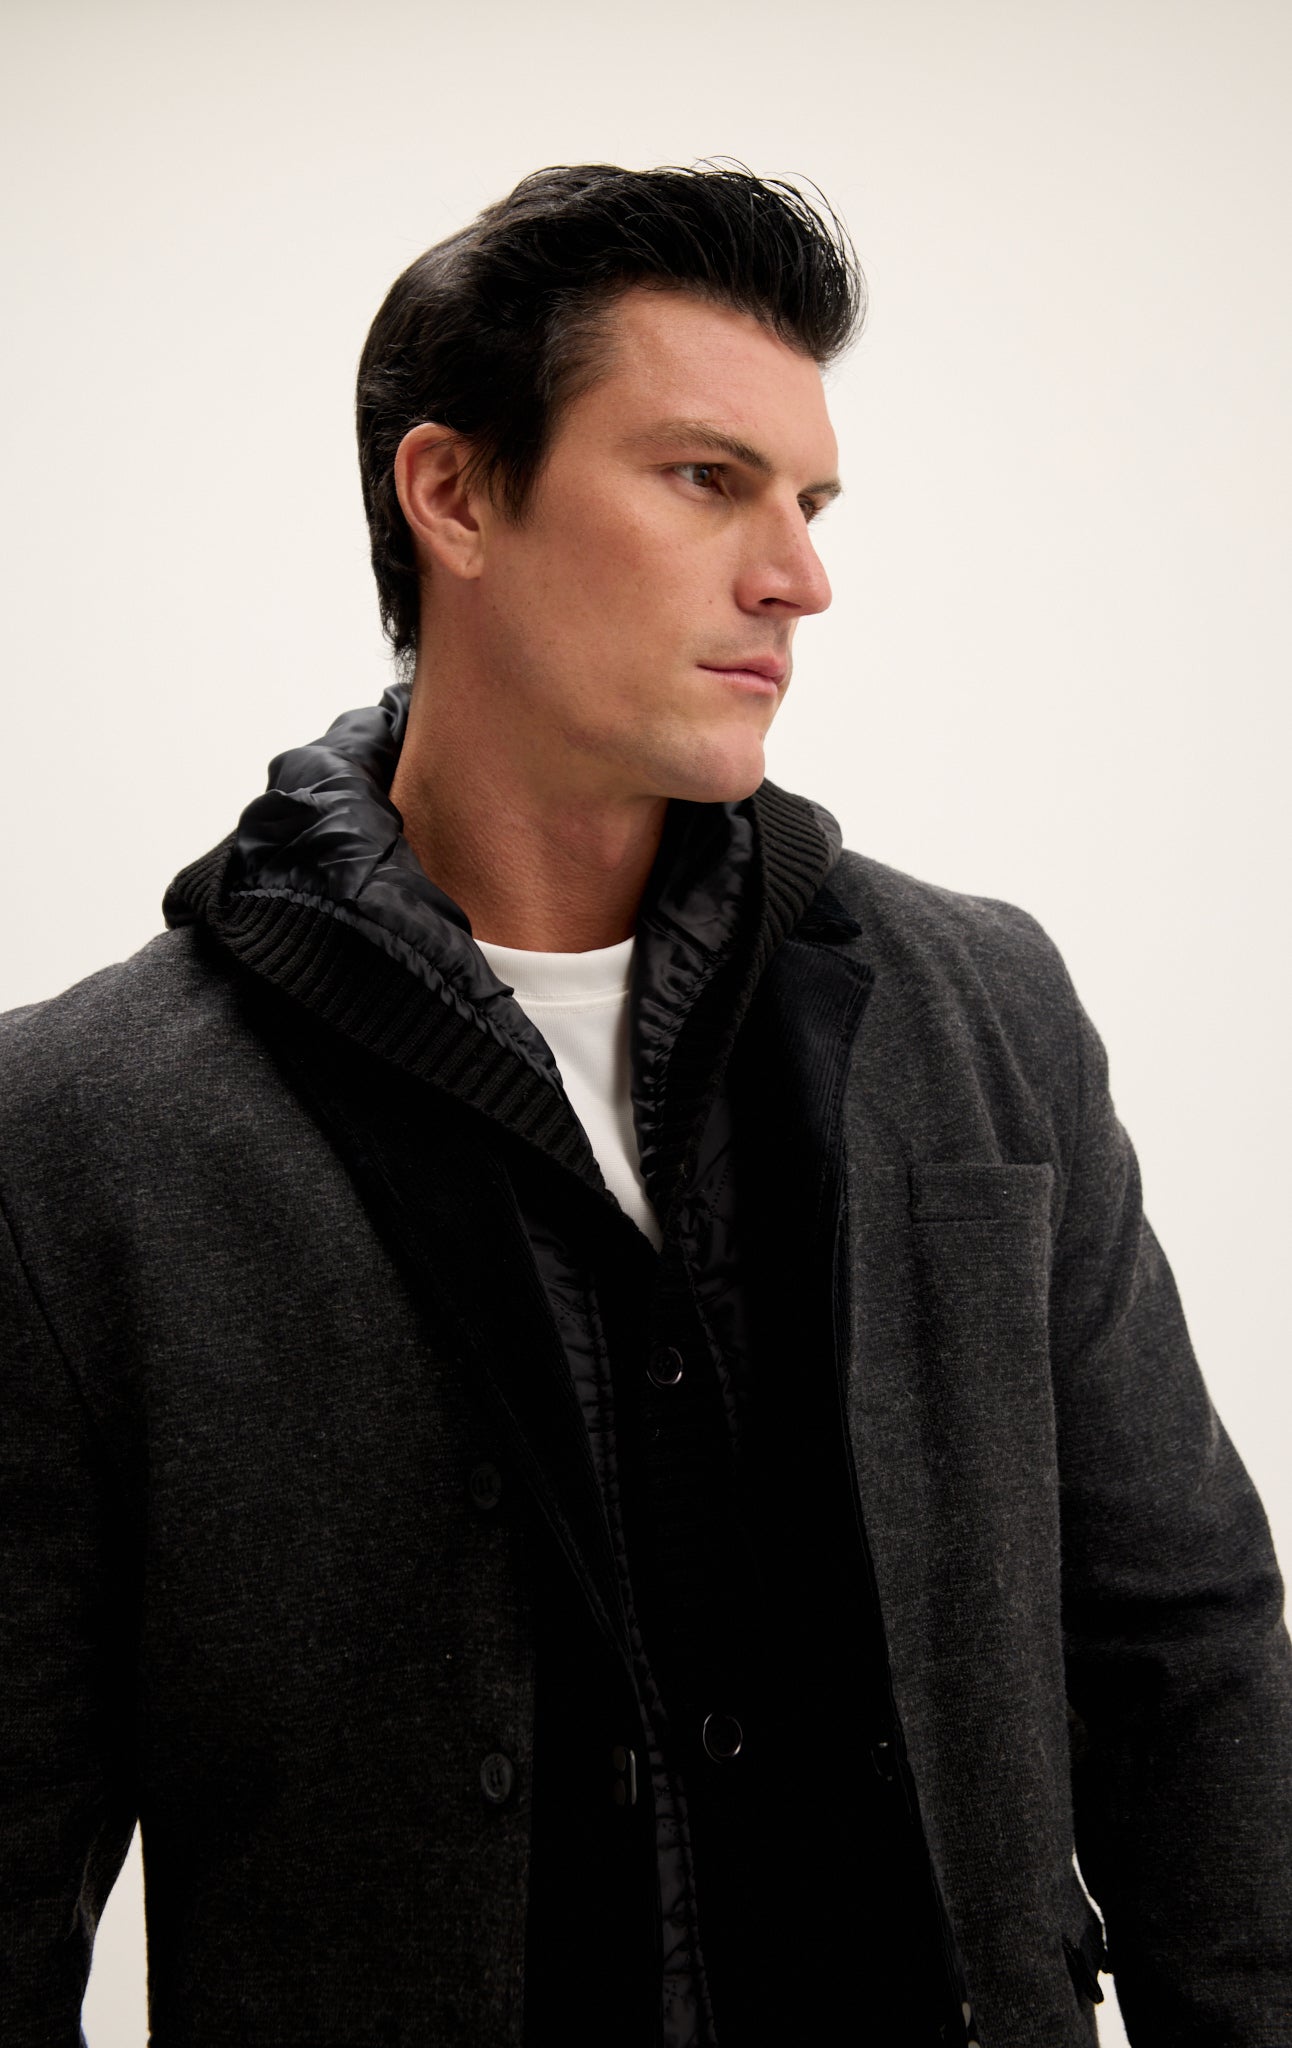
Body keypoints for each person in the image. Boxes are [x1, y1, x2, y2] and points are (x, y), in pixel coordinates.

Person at [1, 162, 1289, 2048]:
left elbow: (1186, 1663)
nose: (799, 577)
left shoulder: (983, 1011)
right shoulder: (77, 1133)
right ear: (454, 494)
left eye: (809, 504)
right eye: (706, 478)